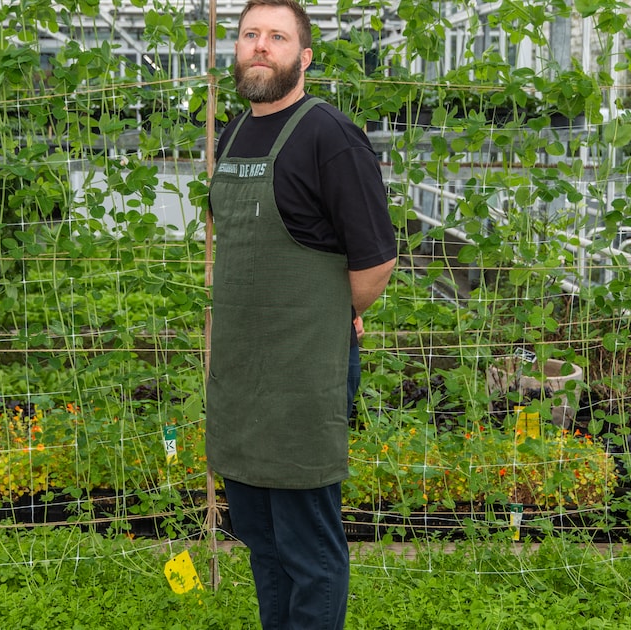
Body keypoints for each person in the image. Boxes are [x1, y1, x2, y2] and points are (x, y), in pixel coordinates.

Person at [205, 0, 397, 627]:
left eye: (277, 37)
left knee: (309, 548)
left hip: (301, 376)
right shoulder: (233, 134)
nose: (261, 46)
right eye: (250, 35)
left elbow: (373, 263)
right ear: (236, 50)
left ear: (304, 57)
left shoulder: (329, 136)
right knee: (261, 540)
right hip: (240, 374)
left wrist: (333, 310)